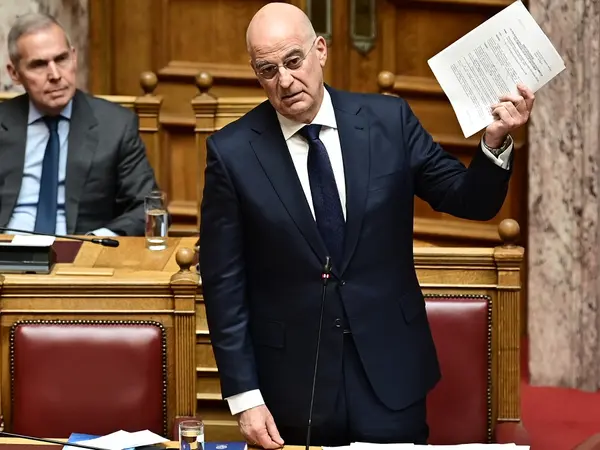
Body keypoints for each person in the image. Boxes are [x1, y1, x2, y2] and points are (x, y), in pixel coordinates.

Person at [200, 2, 535, 447]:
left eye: (294, 61)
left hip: (390, 371)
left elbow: (470, 200)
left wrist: (494, 142)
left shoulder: (389, 121)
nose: (284, 81)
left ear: (320, 50)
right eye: (268, 70)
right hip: (292, 384)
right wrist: (245, 397)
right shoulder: (232, 153)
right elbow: (223, 284)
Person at [0, 13, 158, 237]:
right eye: (39, 65)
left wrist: (95, 241)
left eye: (61, 59)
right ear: (14, 74)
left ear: (74, 57)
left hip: (83, 251)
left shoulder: (115, 126)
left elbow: (148, 207)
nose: (55, 75)